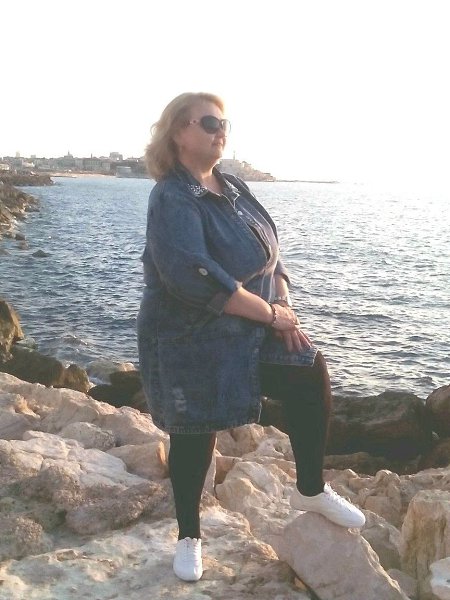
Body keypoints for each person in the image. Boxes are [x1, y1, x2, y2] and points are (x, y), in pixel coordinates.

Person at [137, 92, 365, 583]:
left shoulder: (234, 185)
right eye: (209, 122)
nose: (221, 131)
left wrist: (283, 306)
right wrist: (271, 315)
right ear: (178, 132)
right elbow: (193, 277)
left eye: (225, 123)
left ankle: (310, 489)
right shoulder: (172, 196)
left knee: (309, 371)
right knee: (194, 429)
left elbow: (271, 256)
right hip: (187, 334)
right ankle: (189, 535)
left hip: (249, 324)